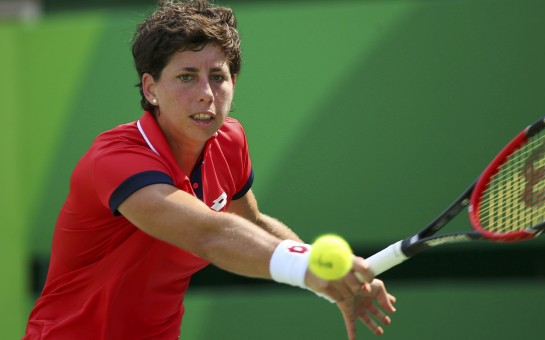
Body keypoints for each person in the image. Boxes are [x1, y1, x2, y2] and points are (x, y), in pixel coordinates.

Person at [23, 1, 396, 339]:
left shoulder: (229, 140)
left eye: (217, 76)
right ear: (151, 89)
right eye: (186, 76)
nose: (206, 93)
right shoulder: (115, 159)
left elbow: (250, 223)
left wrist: (326, 273)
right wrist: (305, 268)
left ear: (234, 83)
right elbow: (207, 233)